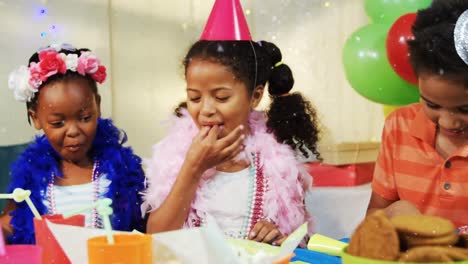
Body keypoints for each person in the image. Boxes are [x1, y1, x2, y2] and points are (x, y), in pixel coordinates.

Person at [142, 0, 320, 246]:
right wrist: (193, 168)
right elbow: (155, 238)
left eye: (221, 97)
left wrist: (280, 237)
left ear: (255, 96)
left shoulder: (278, 158)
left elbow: (301, 240)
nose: (205, 109)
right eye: (194, 97)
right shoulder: (176, 153)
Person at [1, 43, 146, 244]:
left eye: (85, 117)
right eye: (58, 123)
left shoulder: (123, 169)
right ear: (35, 118)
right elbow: (11, 223)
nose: (73, 131)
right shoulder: (32, 177)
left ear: (98, 106)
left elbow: (145, 224)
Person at [367, 0, 468, 231]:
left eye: (465, 109)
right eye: (432, 104)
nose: (448, 121)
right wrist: (393, 215)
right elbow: (374, 216)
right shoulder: (399, 126)